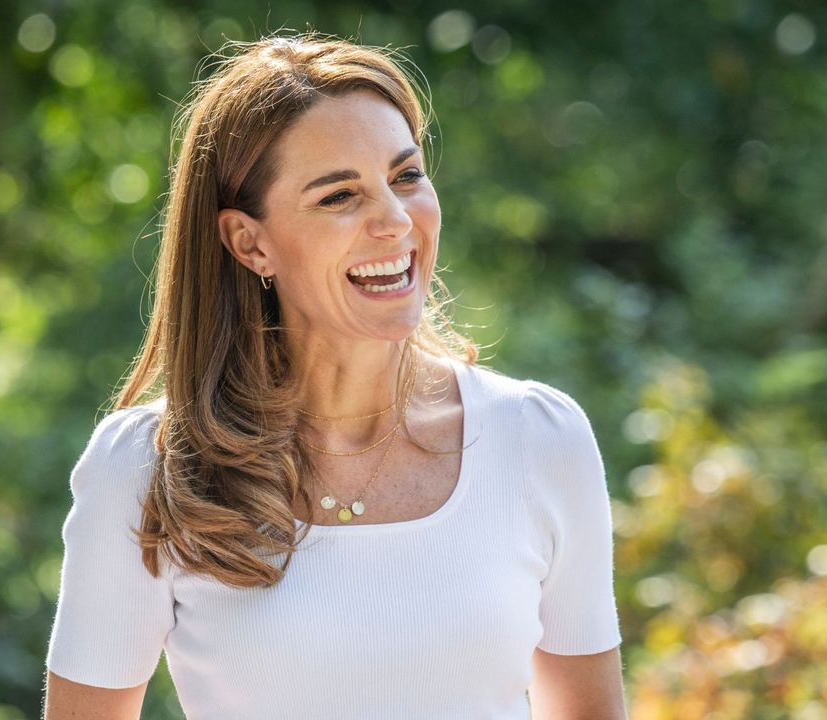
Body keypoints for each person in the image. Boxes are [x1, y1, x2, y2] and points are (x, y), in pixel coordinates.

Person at [42, 33, 627, 720]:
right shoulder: (147, 469)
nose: (395, 220)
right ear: (249, 242)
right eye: (339, 196)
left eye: (406, 176)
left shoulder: (539, 438)